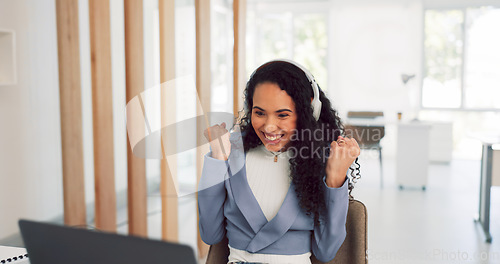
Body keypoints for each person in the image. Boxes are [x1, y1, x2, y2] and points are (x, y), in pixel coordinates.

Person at [198, 59, 361, 264]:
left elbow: (326, 251)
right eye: (259, 113)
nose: (269, 127)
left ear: (308, 111)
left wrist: (336, 178)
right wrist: (217, 157)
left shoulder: (322, 157)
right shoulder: (231, 148)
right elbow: (210, 234)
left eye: (282, 115)